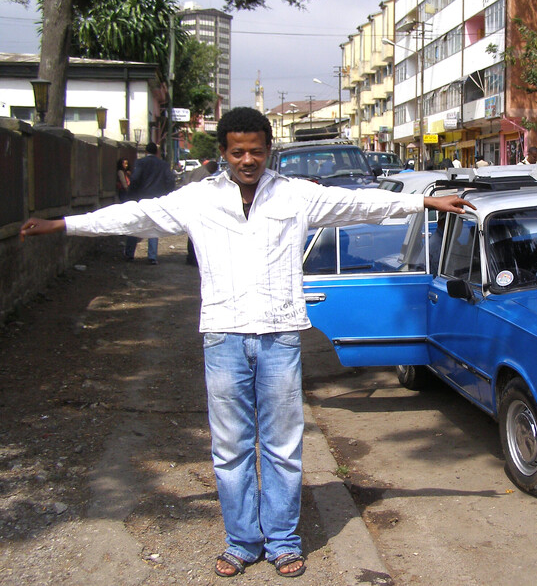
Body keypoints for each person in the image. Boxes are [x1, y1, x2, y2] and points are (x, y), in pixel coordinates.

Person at [19, 106, 472, 579]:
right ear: (223, 153)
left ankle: (281, 540)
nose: (248, 159)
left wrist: (421, 203)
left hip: (279, 336)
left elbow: (360, 203)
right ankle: (241, 541)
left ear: (269, 150)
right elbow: (135, 216)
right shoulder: (196, 200)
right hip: (223, 336)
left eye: (256, 150)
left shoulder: (297, 195)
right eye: (238, 152)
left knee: (282, 444)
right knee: (230, 446)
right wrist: (66, 225)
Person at [124, 142, 175, 264]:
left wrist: (131, 195)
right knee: (153, 226)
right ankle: (152, 257)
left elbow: (135, 179)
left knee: (135, 225)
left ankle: (129, 253)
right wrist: (166, 195)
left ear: (146, 152)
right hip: (157, 200)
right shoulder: (163, 165)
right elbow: (170, 181)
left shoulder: (140, 163)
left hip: (141, 198)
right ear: (157, 153)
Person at [183, 159, 220, 265]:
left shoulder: (197, 170)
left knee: (191, 233)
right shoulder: (206, 176)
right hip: (199, 206)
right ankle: (194, 258)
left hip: (190, 204)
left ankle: (190, 257)